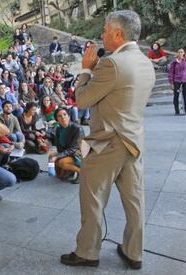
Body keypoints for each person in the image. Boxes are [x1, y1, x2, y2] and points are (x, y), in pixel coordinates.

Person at [60, 10, 155, 270]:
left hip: (106, 142)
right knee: (135, 201)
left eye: (105, 30)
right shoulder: (146, 63)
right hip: (133, 141)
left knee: (92, 199)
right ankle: (134, 252)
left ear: (118, 34)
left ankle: (87, 252)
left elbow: (81, 99)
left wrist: (86, 70)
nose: (101, 34)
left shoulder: (112, 64)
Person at [47, 108, 84, 183]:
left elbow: (74, 148)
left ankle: (81, 172)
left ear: (69, 116)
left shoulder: (77, 128)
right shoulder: (58, 129)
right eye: (59, 116)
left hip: (79, 154)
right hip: (67, 152)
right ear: (57, 119)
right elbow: (58, 145)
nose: (63, 117)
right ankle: (68, 170)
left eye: (65, 114)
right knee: (51, 156)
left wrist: (58, 156)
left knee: (61, 162)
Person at [167, 48, 186, 115]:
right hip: (176, 80)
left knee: (185, 95)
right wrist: (171, 83)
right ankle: (177, 111)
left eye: (181, 52)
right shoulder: (174, 62)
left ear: (184, 53)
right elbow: (170, 73)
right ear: (177, 53)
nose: (180, 53)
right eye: (179, 52)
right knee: (176, 96)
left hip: (184, 80)